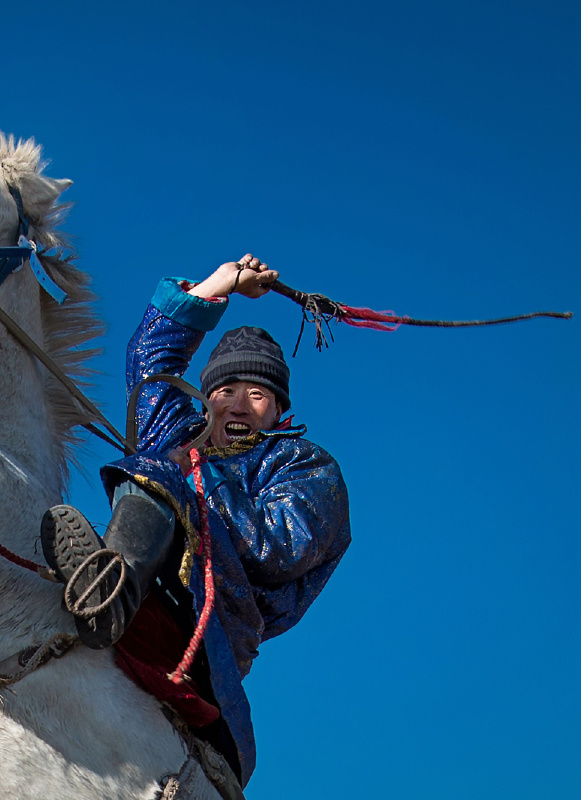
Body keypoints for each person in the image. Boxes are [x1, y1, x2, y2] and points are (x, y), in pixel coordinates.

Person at [40, 255, 351, 787]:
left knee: (156, 473)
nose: (239, 403)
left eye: (257, 395)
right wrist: (218, 285)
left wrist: (191, 478)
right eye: (226, 391)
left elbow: (282, 547)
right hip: (144, 575)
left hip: (210, 624)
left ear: (279, 411)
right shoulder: (179, 432)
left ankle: (106, 593)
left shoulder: (305, 465)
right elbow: (150, 358)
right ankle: (102, 584)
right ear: (206, 399)